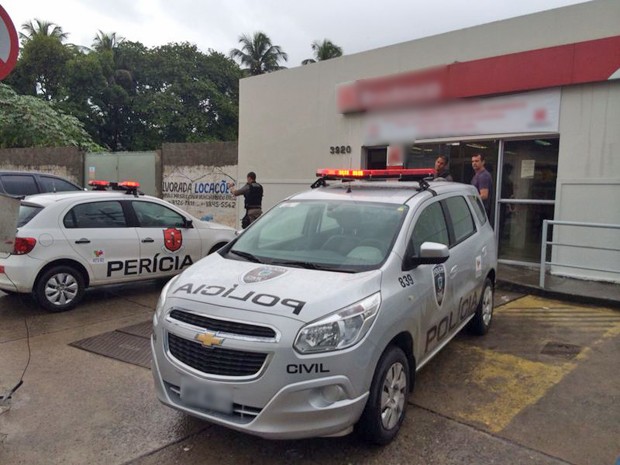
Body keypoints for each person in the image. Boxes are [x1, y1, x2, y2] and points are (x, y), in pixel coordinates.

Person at [471, 153, 493, 218]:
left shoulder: (483, 176)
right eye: (473, 161)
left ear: (483, 162)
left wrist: (470, 199)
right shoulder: (477, 175)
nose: (474, 163)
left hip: (480, 210)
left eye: (477, 161)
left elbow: (484, 195)